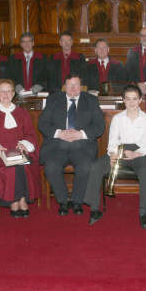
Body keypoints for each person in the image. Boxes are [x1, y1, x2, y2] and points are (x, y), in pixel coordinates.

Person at [83, 85, 146, 229]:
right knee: (96, 167)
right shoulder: (117, 118)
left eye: (135, 99)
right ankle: (95, 209)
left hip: (138, 152)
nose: (131, 102)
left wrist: (136, 153)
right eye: (128, 99)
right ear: (123, 100)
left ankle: (143, 213)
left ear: (140, 100)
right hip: (119, 150)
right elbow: (112, 142)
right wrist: (113, 154)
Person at [39, 74, 105, 216]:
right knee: (51, 167)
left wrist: (80, 134)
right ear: (65, 86)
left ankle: (77, 201)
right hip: (57, 146)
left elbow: (99, 126)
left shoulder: (91, 100)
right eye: (70, 85)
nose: (73, 88)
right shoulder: (53, 99)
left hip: (82, 146)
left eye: (76, 85)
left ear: (81, 86)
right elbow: (43, 124)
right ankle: (63, 201)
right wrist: (59, 133)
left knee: (86, 167)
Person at [0, 79, 41, 217]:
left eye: (9, 91)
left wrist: (25, 144)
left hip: (20, 151)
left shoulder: (22, 112)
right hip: (0, 154)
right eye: (2, 91)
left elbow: (30, 134)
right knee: (12, 167)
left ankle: (20, 199)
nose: (6, 94)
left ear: (13, 93)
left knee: (22, 163)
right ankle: (15, 201)